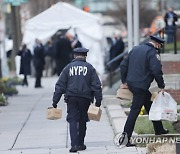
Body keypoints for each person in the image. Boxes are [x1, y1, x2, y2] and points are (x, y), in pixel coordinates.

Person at [120, 35, 168, 147]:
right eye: (159, 46)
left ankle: (159, 129)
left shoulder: (135, 49)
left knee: (149, 105)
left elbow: (123, 65)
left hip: (132, 84)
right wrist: (161, 85)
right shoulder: (153, 52)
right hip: (141, 86)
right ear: (157, 45)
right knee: (134, 111)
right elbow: (156, 70)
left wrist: (124, 81)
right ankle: (125, 139)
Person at [52, 47, 102, 153]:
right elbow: (96, 85)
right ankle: (81, 143)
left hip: (71, 97)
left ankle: (74, 144)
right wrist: (98, 101)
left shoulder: (68, 68)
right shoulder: (90, 68)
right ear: (85, 56)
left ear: (74, 56)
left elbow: (60, 85)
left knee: (73, 120)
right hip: (85, 98)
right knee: (83, 120)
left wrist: (55, 101)